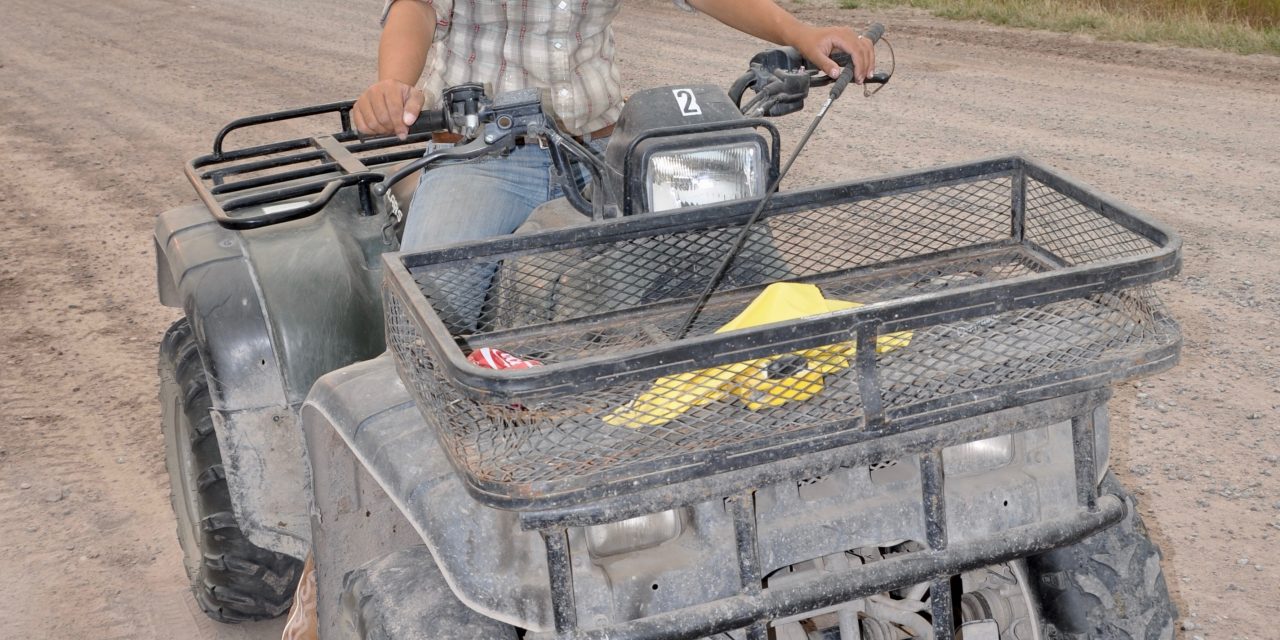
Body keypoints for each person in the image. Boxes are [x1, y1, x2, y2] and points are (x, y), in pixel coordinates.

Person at [355, 0, 876, 253]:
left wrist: (801, 32)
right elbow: (416, 7)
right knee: (434, 301)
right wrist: (392, 84)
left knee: (728, 257)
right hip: (482, 154)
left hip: (606, 148)